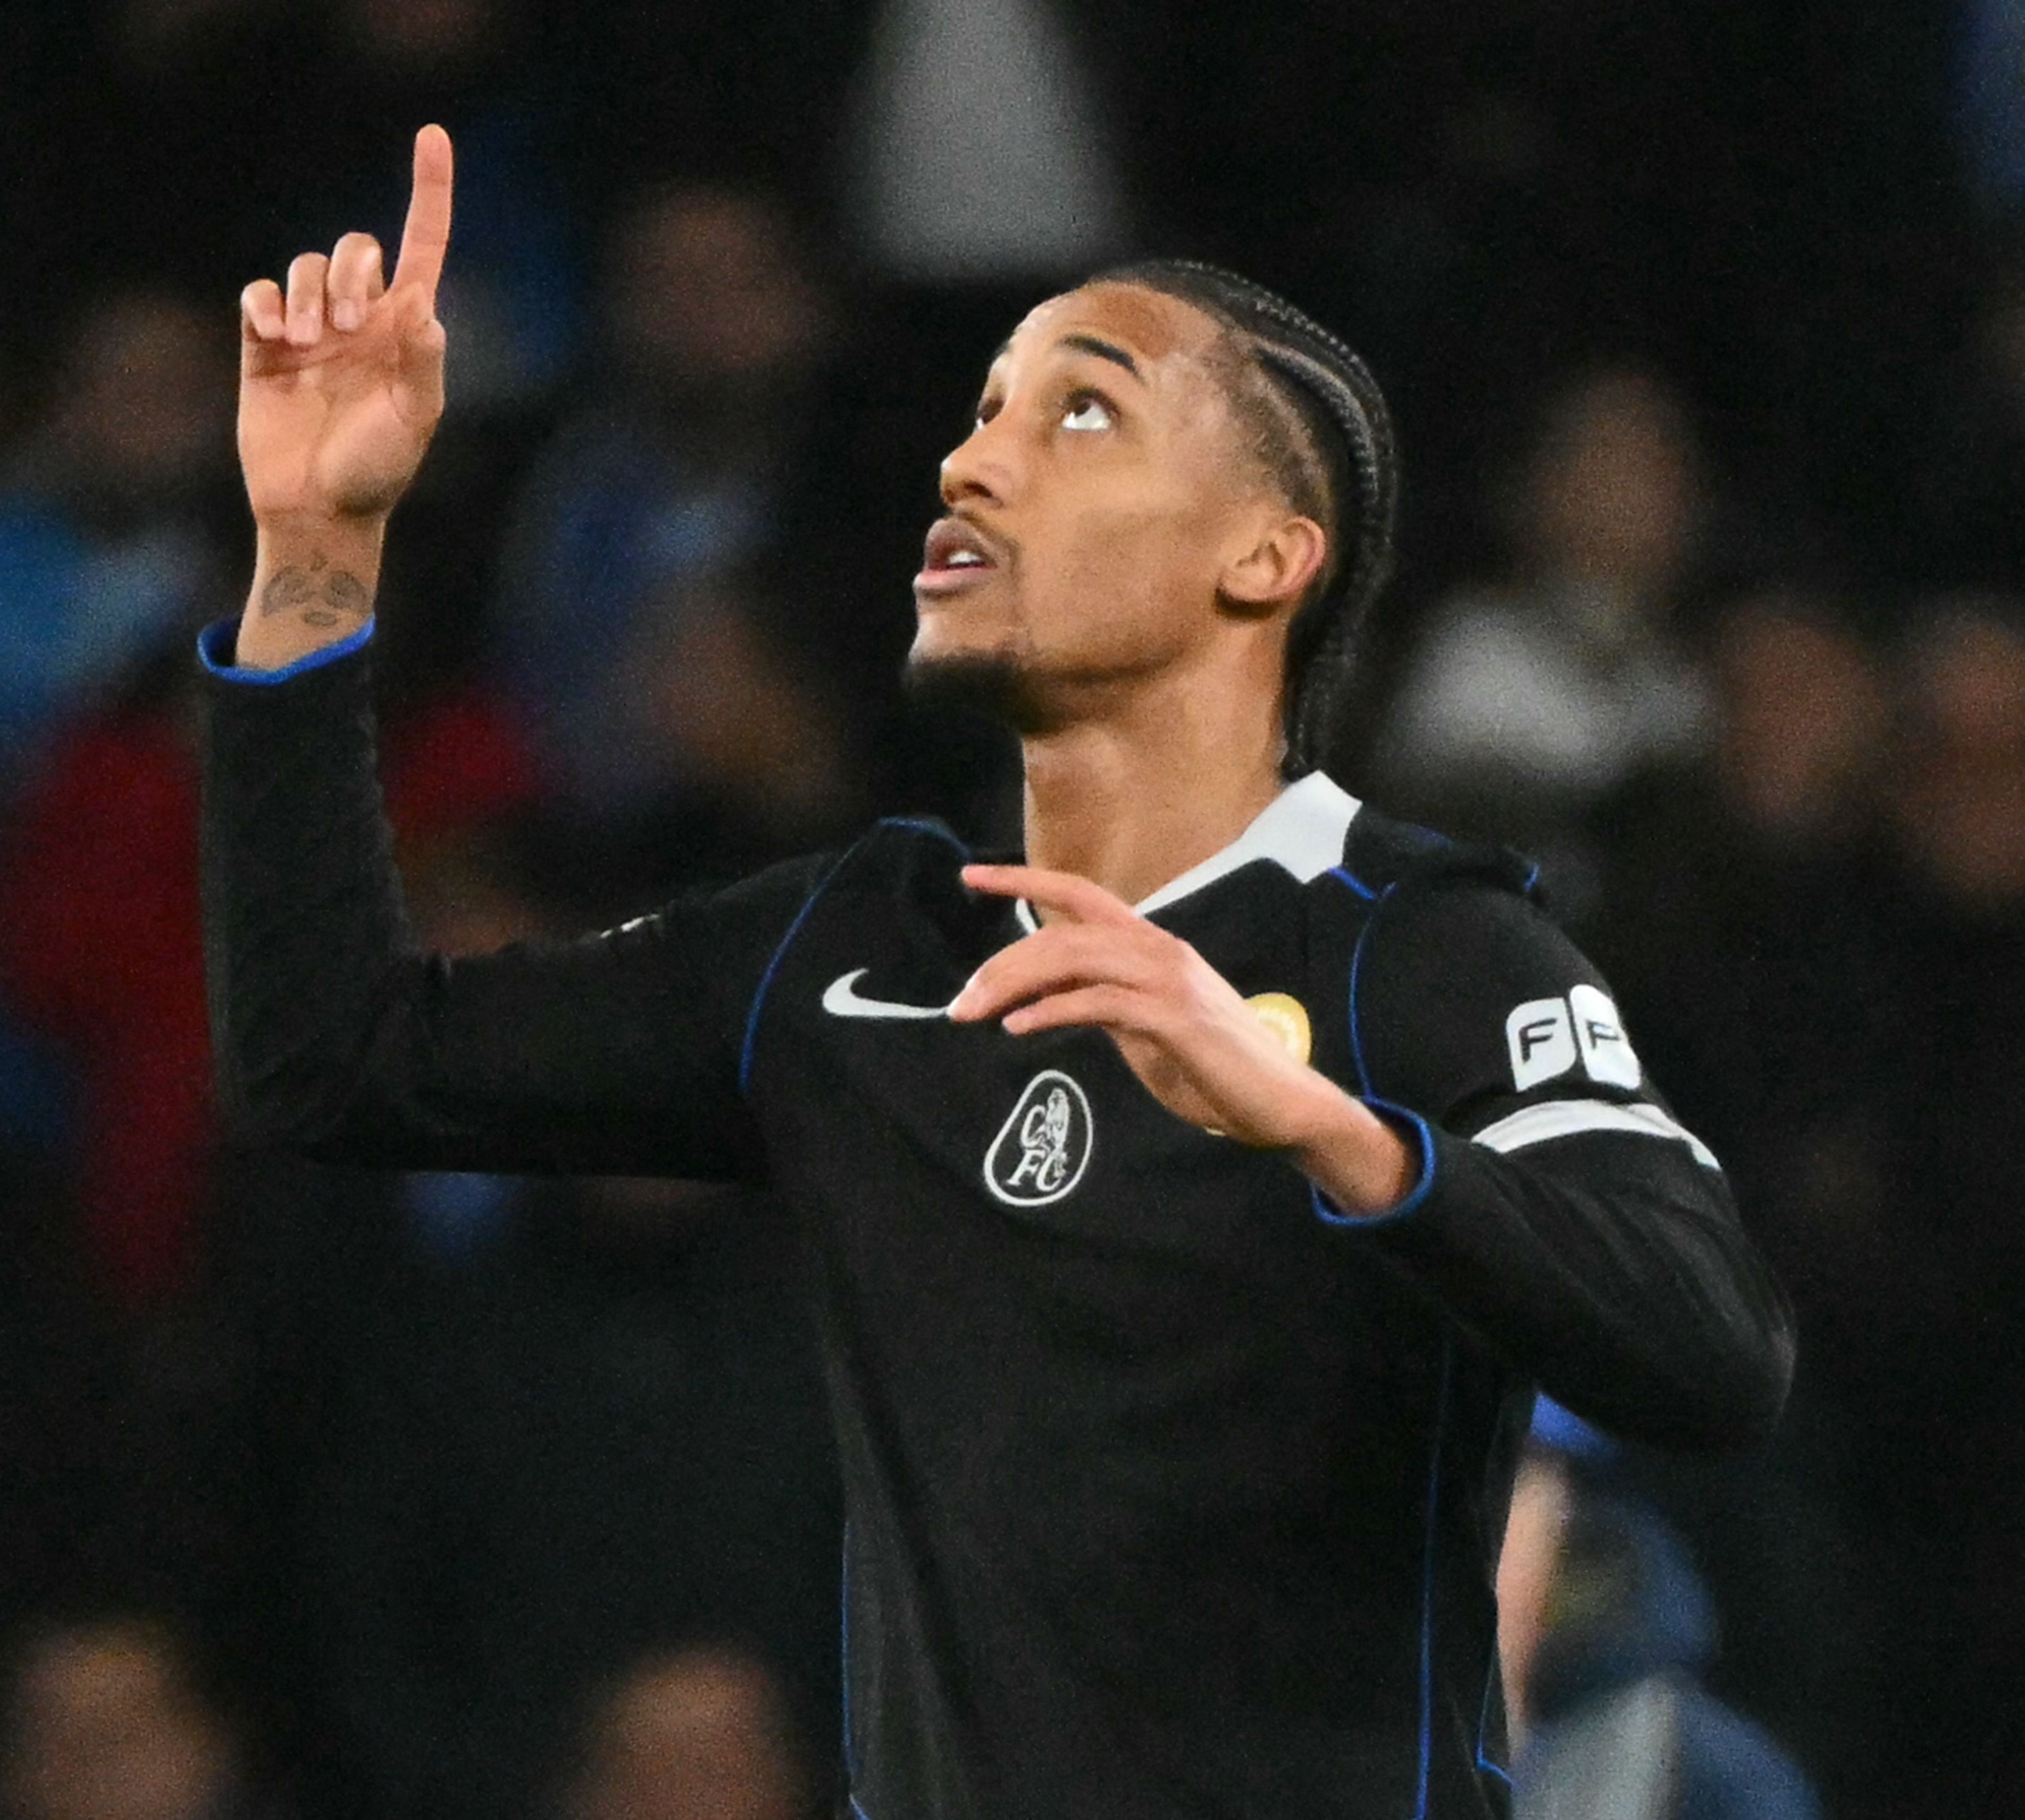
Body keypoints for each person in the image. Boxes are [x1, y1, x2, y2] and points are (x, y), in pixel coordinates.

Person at [200, 129, 1793, 1819]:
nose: (972, 465)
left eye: (1077, 409)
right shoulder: (852, 951)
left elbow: (1708, 1356)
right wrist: (316, 553)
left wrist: (1344, 1138)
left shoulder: (1424, 952)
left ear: (1263, 555)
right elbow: (338, 1058)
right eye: (980, 411)